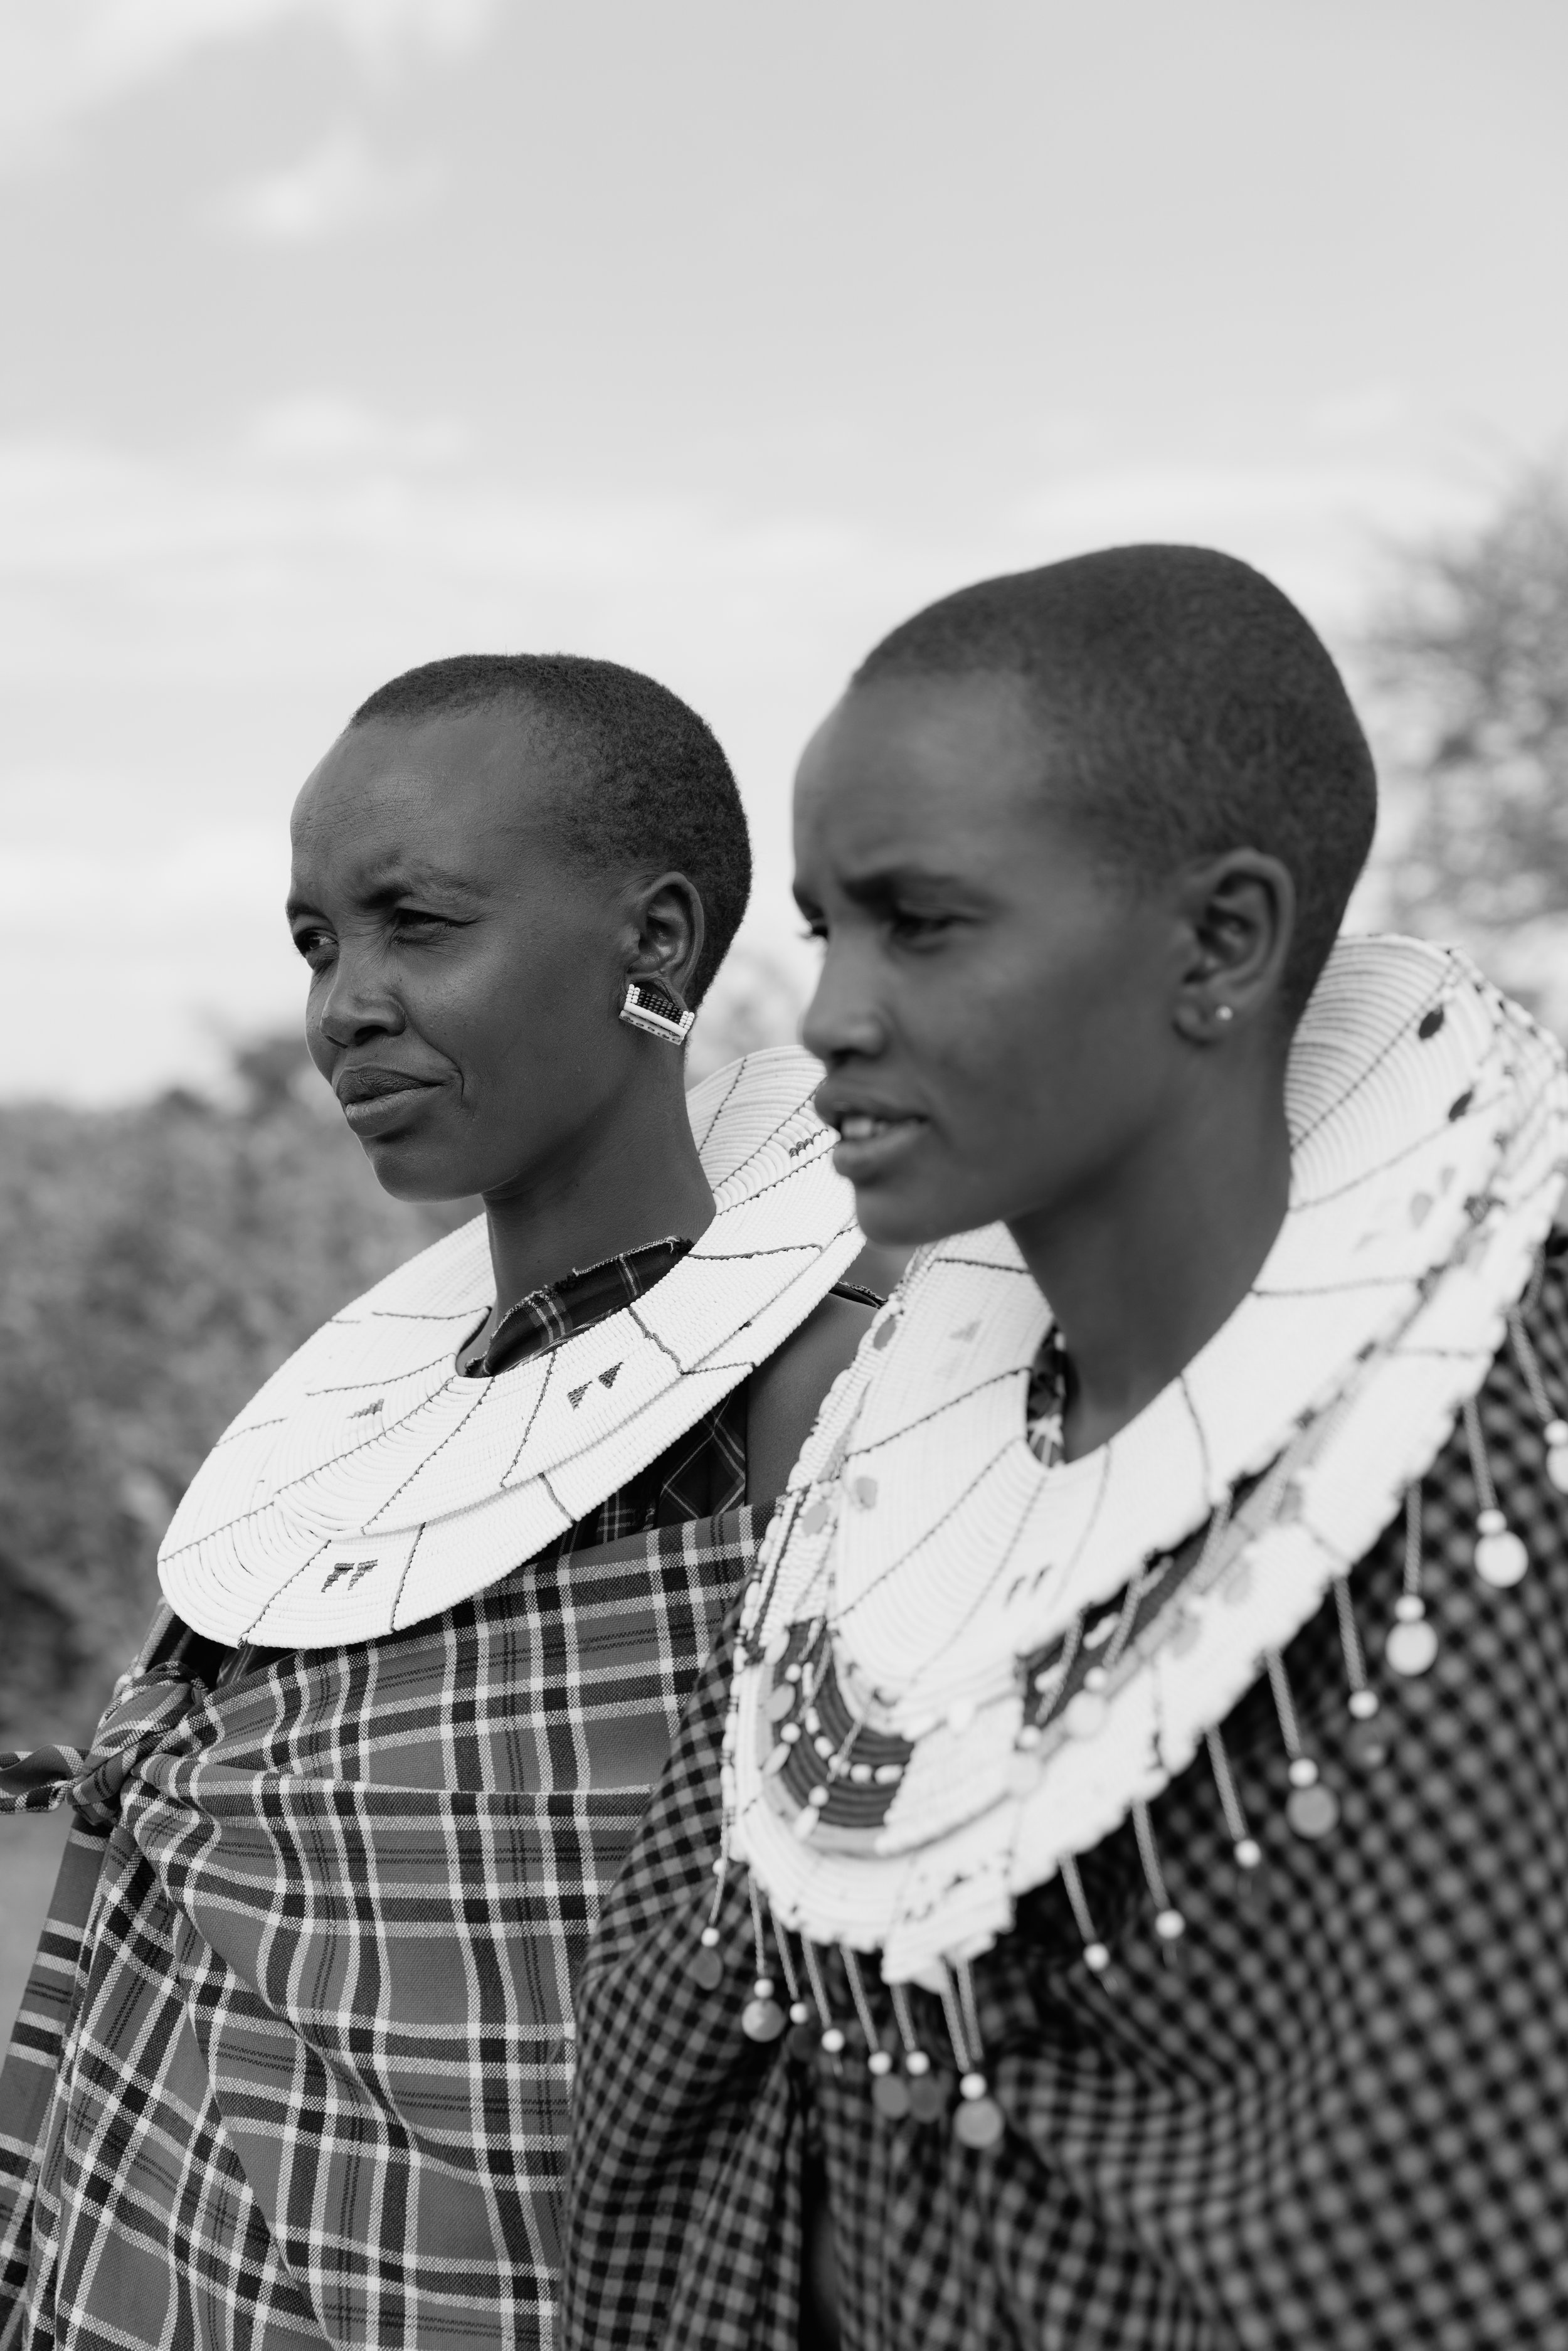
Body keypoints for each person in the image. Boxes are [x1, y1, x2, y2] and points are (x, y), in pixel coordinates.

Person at [563, 549, 1568, 2350]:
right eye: (823, 927)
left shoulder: (1485, 1489)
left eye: (924, 922)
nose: (829, 1017)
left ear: (1221, 942)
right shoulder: (877, 1463)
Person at [0, 652, 879, 2351]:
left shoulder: (809, 1400)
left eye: (417, 923)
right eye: (319, 941)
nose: (344, 1004)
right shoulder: (360, 1437)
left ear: (660, 940)